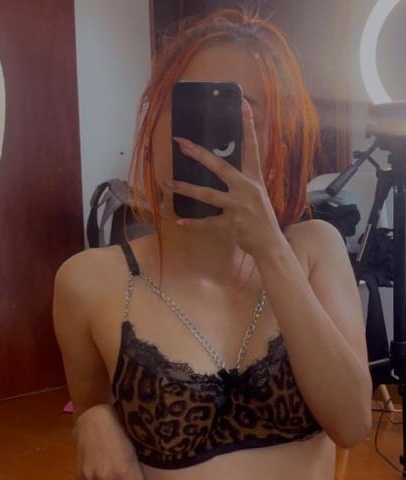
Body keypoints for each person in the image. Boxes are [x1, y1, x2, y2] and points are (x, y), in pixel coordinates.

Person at [53, 8, 372, 480]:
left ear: (276, 146)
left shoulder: (313, 250)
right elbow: (93, 417)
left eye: (241, 113)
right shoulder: (88, 282)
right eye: (190, 107)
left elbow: (353, 423)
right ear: (152, 126)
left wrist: (270, 250)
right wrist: (93, 418)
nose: (206, 135)